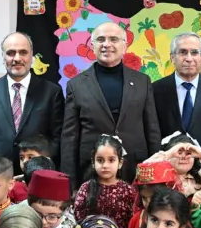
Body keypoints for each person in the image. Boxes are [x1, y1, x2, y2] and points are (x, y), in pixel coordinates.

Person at [62, 21, 161, 186]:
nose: (107, 44)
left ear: (124, 46)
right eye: (101, 39)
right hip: (91, 172)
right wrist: (69, 184)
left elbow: (152, 130)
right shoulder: (76, 85)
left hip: (135, 170)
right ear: (93, 46)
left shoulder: (142, 81)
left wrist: (157, 174)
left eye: (114, 39)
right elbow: (69, 137)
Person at [0, 32, 65, 169]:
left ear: (31, 56)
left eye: (23, 52)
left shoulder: (52, 93)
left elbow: (57, 137)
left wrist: (41, 165)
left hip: (38, 173)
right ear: (3, 57)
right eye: (10, 53)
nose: (17, 58)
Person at [151, 33, 201, 165]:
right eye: (183, 52)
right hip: (166, 166)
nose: (189, 58)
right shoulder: (155, 89)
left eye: (194, 52)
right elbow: (152, 133)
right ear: (172, 57)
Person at [72, 135, 139, 228]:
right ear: (93, 162)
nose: (105, 165)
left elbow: (132, 223)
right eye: (100, 160)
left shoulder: (128, 191)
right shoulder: (86, 188)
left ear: (120, 163)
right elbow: (78, 219)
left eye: (111, 160)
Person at [123, 161, 181, 228]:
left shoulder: (176, 218)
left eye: (153, 197)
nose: (148, 203)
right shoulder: (137, 219)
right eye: (144, 198)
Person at [145, 132, 201, 198]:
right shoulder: (160, 175)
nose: (184, 157)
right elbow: (143, 172)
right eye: (179, 152)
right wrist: (168, 153)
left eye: (188, 153)